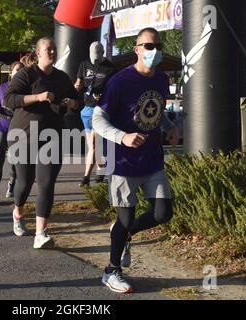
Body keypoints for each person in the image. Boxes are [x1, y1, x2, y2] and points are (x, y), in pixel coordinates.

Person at [92, 28, 179, 293]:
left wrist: (169, 126)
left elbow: (155, 111)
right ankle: (111, 271)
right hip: (123, 161)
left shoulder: (162, 79)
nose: (155, 52)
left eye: (158, 46)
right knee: (125, 217)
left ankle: (125, 234)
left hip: (152, 158)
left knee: (163, 213)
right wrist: (123, 137)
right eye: (149, 47)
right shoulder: (120, 81)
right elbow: (98, 119)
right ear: (137, 49)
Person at [4, 37, 79, 245]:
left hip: (52, 137)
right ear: (38, 53)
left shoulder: (62, 78)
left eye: (55, 49)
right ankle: (18, 213)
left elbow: (77, 101)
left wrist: (73, 102)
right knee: (24, 182)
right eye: (48, 49)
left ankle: (41, 233)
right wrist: (37, 97)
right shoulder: (26, 74)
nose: (52, 52)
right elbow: (8, 99)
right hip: (23, 136)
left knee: (46, 184)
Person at [75, 41, 116, 187]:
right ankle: (100, 171)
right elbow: (78, 81)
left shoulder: (110, 68)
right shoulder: (84, 64)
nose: (95, 60)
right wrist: (77, 85)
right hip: (86, 109)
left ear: (103, 53)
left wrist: (104, 95)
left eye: (98, 57)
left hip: (101, 109)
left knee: (94, 142)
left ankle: (86, 177)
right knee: (92, 145)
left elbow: (114, 89)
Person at [0, 61, 24, 206]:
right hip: (2, 126)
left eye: (22, 70)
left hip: (18, 129)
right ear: (10, 73)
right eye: (16, 70)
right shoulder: (2, 88)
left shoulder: (26, 90)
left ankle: (11, 186)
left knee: (14, 161)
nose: (19, 72)